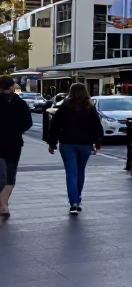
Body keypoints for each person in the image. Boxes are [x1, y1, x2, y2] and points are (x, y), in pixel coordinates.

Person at [47, 82, 103, 214]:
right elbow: (97, 126)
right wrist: (98, 142)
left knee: (71, 173)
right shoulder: (90, 107)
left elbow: (55, 126)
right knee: (81, 170)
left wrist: (52, 143)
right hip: (85, 144)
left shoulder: (64, 107)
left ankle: (74, 203)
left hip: (67, 143)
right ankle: (77, 197)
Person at [0, 75, 34, 220]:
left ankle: (3, 204)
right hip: (14, 143)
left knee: (1, 176)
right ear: (11, 86)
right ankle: (4, 205)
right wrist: (16, 130)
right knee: (10, 176)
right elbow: (28, 122)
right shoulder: (20, 103)